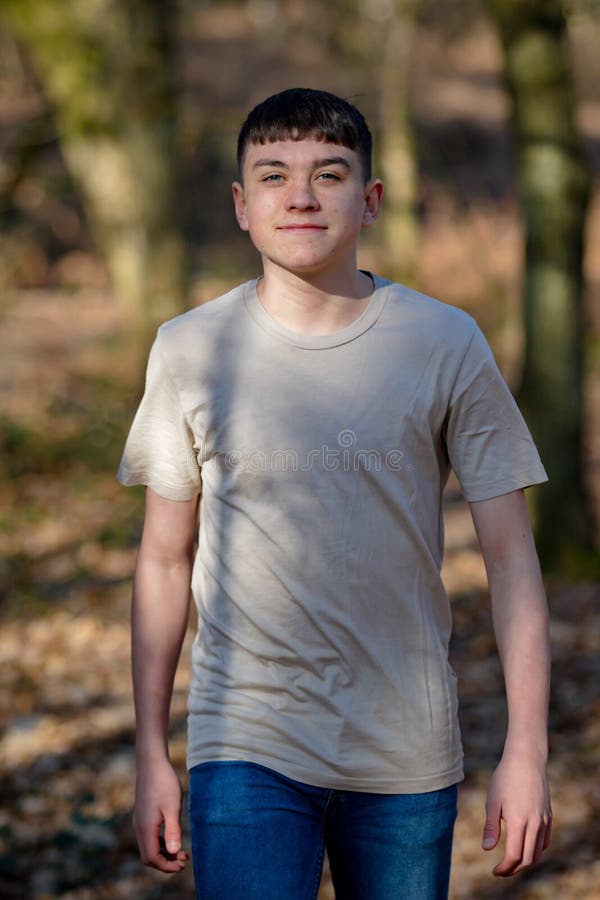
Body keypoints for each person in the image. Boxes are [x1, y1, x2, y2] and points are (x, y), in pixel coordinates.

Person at [118, 87, 552, 900]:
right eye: (275, 175)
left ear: (372, 199)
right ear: (242, 206)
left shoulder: (444, 341)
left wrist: (526, 751)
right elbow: (162, 561)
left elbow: (512, 558)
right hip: (244, 740)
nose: (303, 195)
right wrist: (150, 751)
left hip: (405, 747)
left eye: (330, 172)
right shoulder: (190, 348)